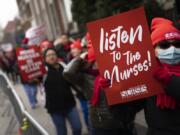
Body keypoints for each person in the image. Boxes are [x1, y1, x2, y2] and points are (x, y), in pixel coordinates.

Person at [64, 35, 143, 135]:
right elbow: (67, 72)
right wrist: (82, 56)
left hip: (124, 125)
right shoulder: (85, 77)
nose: (101, 63)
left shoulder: (118, 73)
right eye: (97, 60)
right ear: (91, 62)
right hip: (102, 127)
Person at [144, 17, 180, 135]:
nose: (173, 49)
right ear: (153, 50)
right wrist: (113, 88)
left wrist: (169, 80)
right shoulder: (146, 74)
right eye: (164, 45)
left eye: (177, 44)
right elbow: (126, 113)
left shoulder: (164, 77)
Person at [43, 47, 81, 135]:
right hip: (55, 110)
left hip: (70, 105)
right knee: (62, 132)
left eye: (53, 54)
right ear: (45, 58)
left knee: (77, 128)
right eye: (48, 55)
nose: (51, 57)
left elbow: (72, 82)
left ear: (57, 56)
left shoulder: (64, 66)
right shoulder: (43, 71)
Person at [70, 39, 90, 129]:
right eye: (71, 49)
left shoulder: (86, 59)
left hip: (89, 90)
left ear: (80, 49)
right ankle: (89, 128)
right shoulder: (72, 62)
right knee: (86, 111)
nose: (72, 51)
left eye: (75, 48)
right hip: (81, 93)